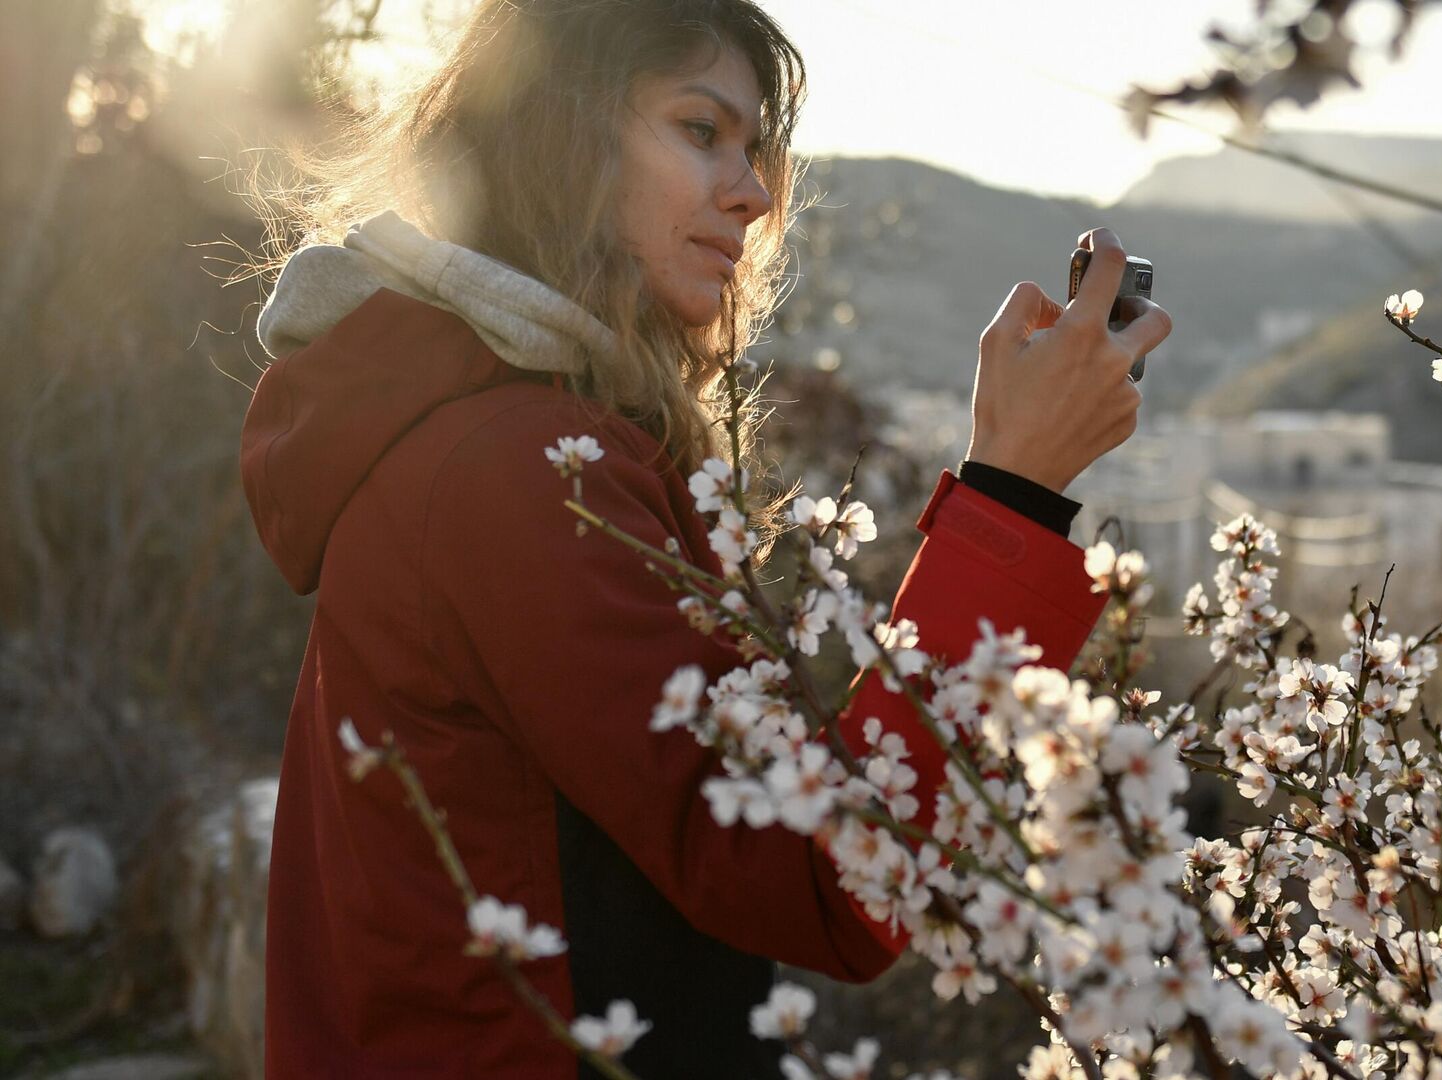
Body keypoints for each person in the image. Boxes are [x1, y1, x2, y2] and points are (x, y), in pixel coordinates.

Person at [238, 0, 1172, 1076]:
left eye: (756, 146)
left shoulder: (521, 435)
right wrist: (1015, 491)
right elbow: (832, 877)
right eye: (700, 131)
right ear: (561, 138)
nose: (755, 190)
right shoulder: (513, 471)